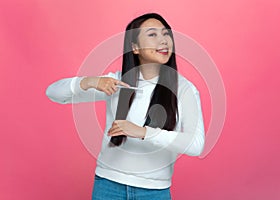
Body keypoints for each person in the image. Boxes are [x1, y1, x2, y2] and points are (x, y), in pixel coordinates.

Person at [46, 13, 205, 200]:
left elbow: (196, 145)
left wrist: (143, 132)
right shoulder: (116, 83)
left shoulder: (184, 89)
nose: (163, 41)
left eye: (166, 34)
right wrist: (89, 81)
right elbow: (53, 93)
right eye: (152, 35)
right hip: (107, 186)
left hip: (154, 192)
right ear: (135, 47)